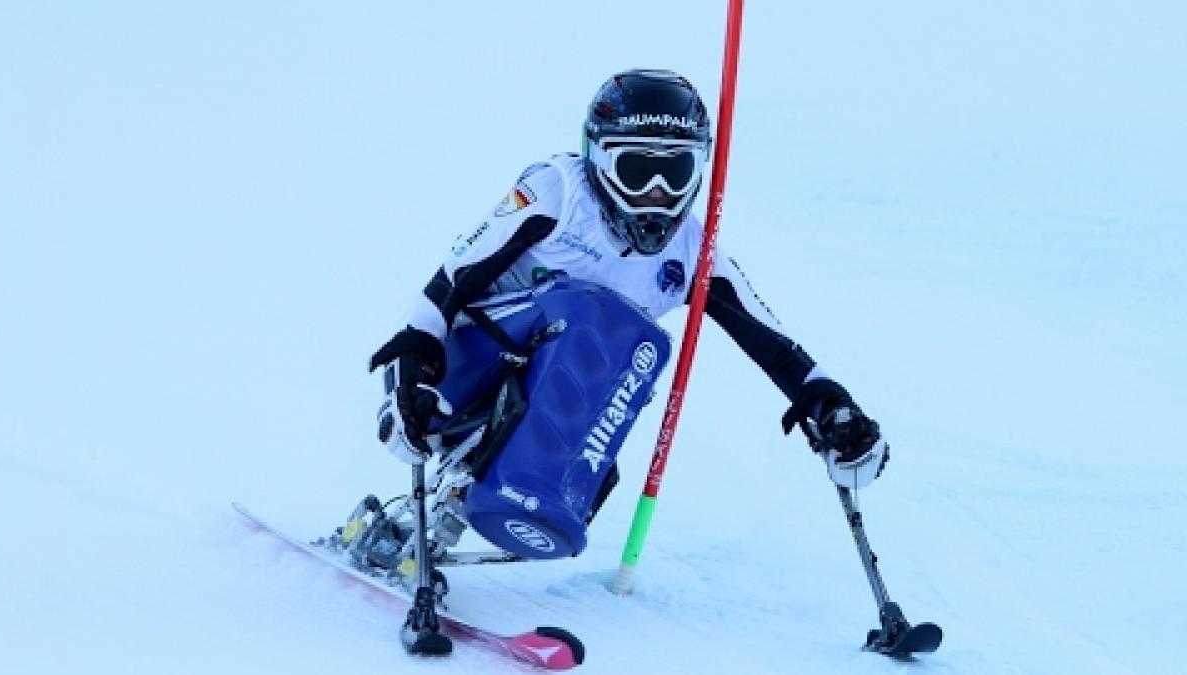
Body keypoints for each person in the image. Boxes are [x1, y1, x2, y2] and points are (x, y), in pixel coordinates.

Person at [366, 68, 888, 562]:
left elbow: (776, 345)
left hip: (556, 403)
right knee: (594, 314)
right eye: (637, 171)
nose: (656, 193)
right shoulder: (559, 193)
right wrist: (414, 365)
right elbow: (453, 279)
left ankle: (474, 510)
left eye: (675, 171)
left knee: (638, 347)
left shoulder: (691, 252)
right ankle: (475, 478)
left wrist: (833, 410)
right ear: (597, 158)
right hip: (465, 372)